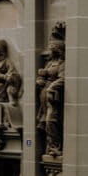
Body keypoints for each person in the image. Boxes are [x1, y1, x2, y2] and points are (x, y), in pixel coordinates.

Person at [36, 27, 65, 157]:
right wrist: (40, 80)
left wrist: (52, 87)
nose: (51, 52)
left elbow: (63, 78)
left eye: (53, 50)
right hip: (44, 98)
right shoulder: (50, 63)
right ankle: (51, 144)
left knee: (51, 121)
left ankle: (56, 145)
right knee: (44, 122)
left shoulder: (63, 63)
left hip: (53, 98)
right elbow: (43, 75)